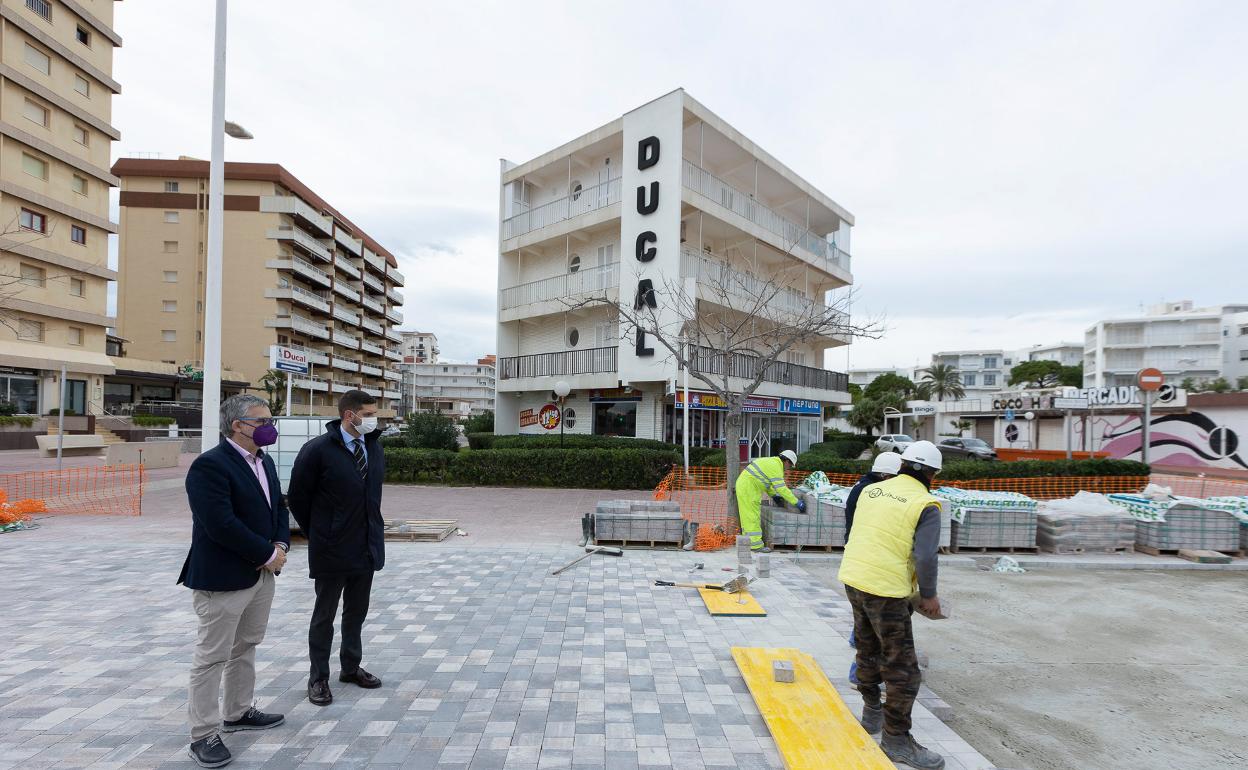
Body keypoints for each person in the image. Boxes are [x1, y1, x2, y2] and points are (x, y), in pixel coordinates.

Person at [179, 394, 289, 768]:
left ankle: (238, 712)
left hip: (260, 573)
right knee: (212, 656)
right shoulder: (209, 466)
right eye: (262, 421)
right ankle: (203, 734)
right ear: (237, 425)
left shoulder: (265, 461)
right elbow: (220, 524)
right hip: (224, 577)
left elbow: (278, 507)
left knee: (246, 646)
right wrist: (267, 554)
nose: (269, 428)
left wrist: (280, 543)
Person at [837, 440, 945, 770]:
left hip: (853, 578)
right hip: (886, 591)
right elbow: (925, 556)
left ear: (903, 465)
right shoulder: (926, 503)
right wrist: (928, 595)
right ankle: (897, 741)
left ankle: (871, 714)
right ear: (931, 473)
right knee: (903, 669)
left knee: (867, 650)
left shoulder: (872, 490)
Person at [288, 390, 386, 707]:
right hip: (331, 549)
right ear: (349, 415)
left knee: (356, 613)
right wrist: (319, 533)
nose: (374, 419)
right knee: (324, 617)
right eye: (369, 414)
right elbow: (299, 498)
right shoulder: (317, 450)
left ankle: (350, 667)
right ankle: (318, 678)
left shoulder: (373, 447)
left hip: (365, 547)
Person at [734, 449, 806, 553]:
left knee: (750, 516)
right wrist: (796, 502)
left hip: (748, 487)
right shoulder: (776, 467)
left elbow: (767, 484)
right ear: (786, 461)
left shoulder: (772, 462)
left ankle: (749, 542)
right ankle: (755, 546)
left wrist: (773, 495)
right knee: (752, 517)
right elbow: (782, 489)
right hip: (748, 489)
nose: (788, 468)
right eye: (790, 465)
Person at [844, 451, 903, 536]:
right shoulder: (872, 492)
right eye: (897, 478)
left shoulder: (865, 484)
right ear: (886, 476)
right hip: (864, 543)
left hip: (857, 540)